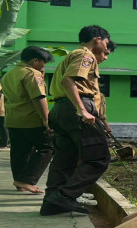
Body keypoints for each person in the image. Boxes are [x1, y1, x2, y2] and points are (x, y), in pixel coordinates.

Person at [42, 25, 114, 216]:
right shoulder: (86, 55)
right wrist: (82, 110)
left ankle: (51, 202)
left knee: (65, 158)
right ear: (98, 39)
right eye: (106, 43)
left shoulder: (72, 55)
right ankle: (65, 196)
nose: (106, 48)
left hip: (61, 108)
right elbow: (69, 80)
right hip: (76, 107)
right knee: (99, 158)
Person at [0, 46, 55, 194]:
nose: (45, 66)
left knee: (19, 151)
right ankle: (27, 180)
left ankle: (19, 181)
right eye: (44, 62)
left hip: (13, 119)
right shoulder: (32, 74)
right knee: (47, 147)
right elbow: (39, 98)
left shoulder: (9, 74)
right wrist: (46, 120)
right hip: (31, 119)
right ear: (35, 60)